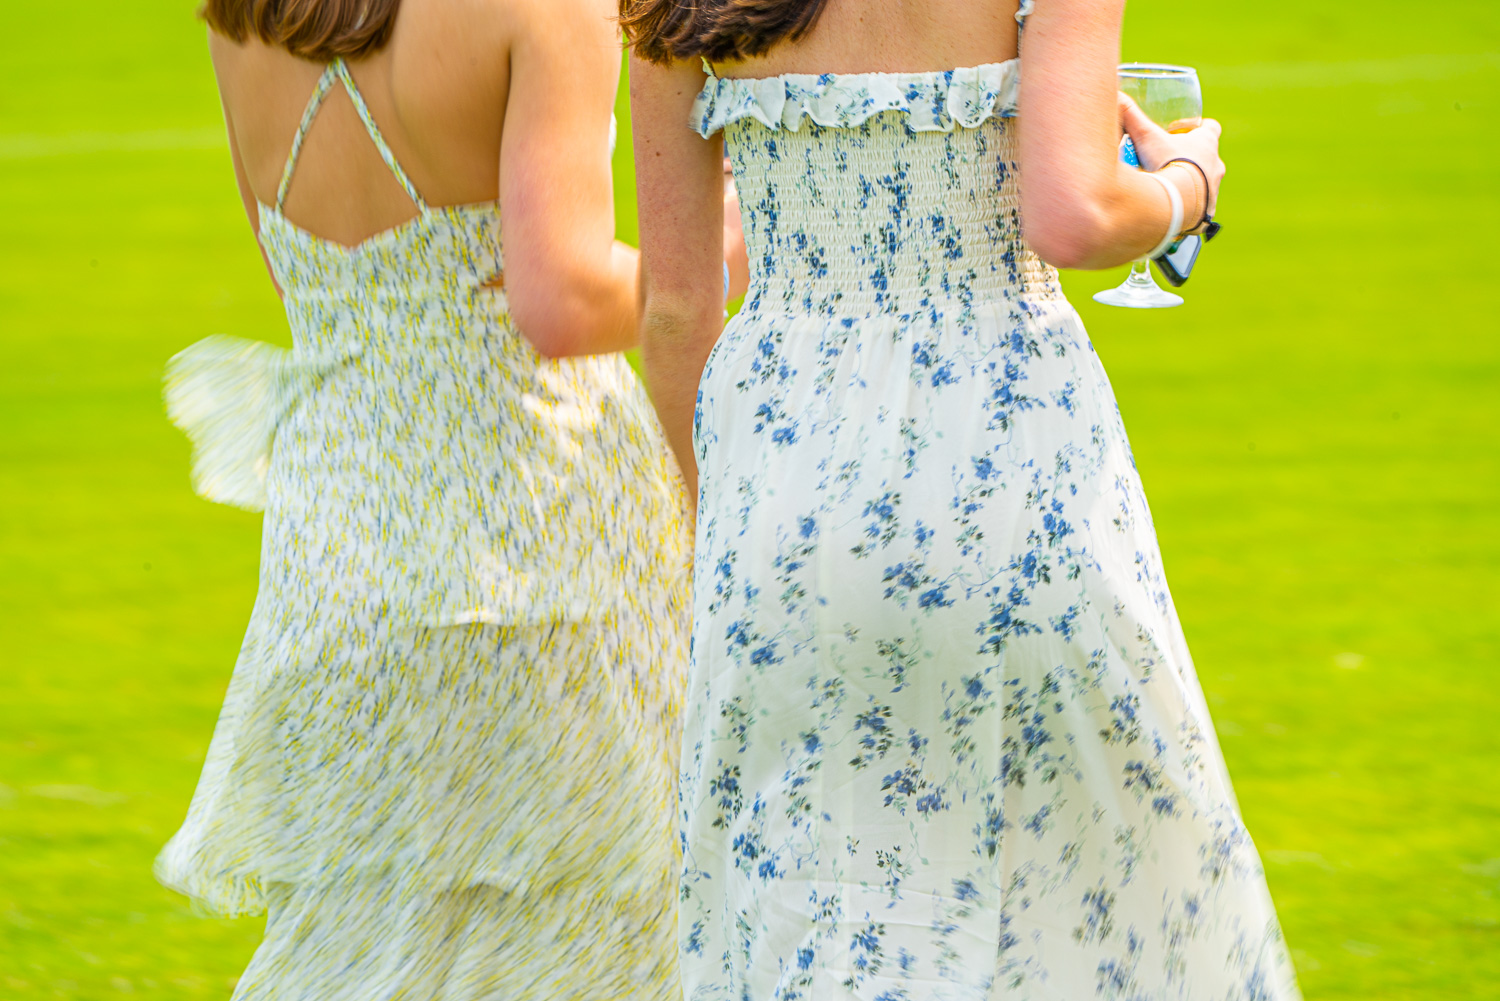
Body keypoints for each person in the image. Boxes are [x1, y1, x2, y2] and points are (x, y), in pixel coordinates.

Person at [624, 0, 1301, 998]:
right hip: (1007, 461)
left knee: (813, 909)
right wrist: (1189, 187)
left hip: (782, 492)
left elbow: (678, 306)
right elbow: (1074, 215)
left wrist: (725, 524)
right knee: (1100, 898)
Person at [154, 0, 731, 997]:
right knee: (601, 931)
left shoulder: (248, 16)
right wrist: (715, 261)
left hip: (338, 540)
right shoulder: (542, 10)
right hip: (539, 534)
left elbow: (293, 271)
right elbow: (561, 301)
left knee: (372, 935)